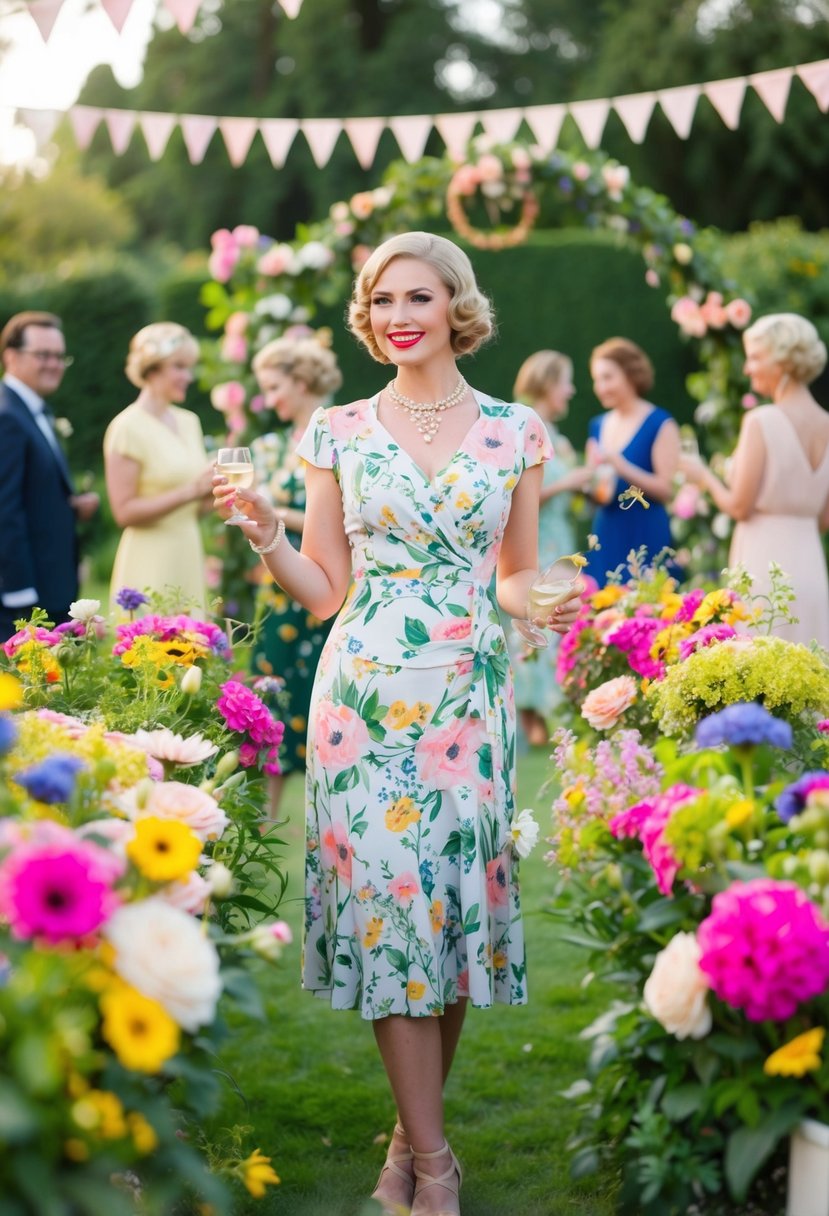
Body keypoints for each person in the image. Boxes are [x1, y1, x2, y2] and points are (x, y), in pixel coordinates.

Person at [214, 232, 582, 1216]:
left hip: (468, 693)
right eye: (380, 300)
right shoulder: (336, 429)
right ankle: (432, 1164)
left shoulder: (515, 432)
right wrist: (268, 536)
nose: (397, 315)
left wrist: (544, 600)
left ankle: (405, 1138)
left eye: (416, 296)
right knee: (389, 916)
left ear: (456, 304)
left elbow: (512, 572)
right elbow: (323, 591)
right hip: (362, 703)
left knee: (451, 923)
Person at [680, 313, 829, 648]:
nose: (747, 368)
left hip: (764, 564)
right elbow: (823, 519)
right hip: (811, 565)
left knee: (760, 669)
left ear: (783, 361)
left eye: (755, 357)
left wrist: (702, 474)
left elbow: (739, 506)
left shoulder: (760, 421)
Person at [248, 334, 343, 817]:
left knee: (328, 708)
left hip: (330, 586)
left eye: (274, 386)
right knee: (271, 700)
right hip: (279, 592)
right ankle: (260, 829)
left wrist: (278, 514)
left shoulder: (342, 437)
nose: (269, 399)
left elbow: (349, 521)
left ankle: (335, 823)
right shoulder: (266, 449)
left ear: (302, 380)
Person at [0, 311, 99, 642]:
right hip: (26, 597)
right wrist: (20, 596)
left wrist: (69, 505)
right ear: (10, 356)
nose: (54, 364)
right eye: (43, 355)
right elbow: (4, 510)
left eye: (59, 356)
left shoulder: (34, 410)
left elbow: (30, 492)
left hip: (52, 586)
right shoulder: (6, 416)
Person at [104, 322, 215, 616]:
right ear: (151, 368)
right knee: (147, 653)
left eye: (189, 367)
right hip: (149, 557)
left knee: (192, 651)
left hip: (187, 550)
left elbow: (194, 508)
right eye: (179, 366)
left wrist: (213, 493)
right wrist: (192, 490)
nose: (187, 377)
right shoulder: (127, 427)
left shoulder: (189, 421)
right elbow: (123, 512)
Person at [511, 350, 592, 746]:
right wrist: (571, 481)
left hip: (559, 540)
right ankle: (534, 722)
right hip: (534, 544)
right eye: (565, 381)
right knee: (532, 626)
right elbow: (518, 497)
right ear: (546, 383)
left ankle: (552, 716)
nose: (571, 390)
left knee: (558, 627)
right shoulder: (523, 427)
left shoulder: (555, 435)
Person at [582, 337, 680, 585]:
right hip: (606, 531)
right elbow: (598, 494)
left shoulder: (660, 423)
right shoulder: (597, 425)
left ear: (631, 374)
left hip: (645, 533)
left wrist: (621, 466)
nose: (600, 387)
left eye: (607, 377)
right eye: (596, 379)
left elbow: (666, 490)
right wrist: (588, 482)